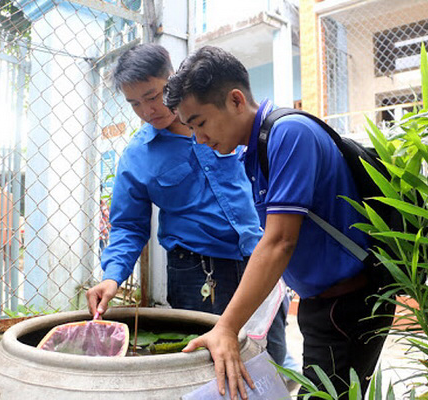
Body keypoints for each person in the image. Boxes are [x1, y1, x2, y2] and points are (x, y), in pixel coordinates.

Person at [163, 46, 395, 400]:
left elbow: (279, 242)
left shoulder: (289, 133)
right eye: (192, 128)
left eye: (201, 123)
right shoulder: (257, 148)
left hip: (348, 304)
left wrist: (227, 327)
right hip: (323, 303)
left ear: (236, 100)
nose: (200, 139)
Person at [85, 43, 287, 365]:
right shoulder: (137, 156)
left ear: (173, 77)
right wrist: (112, 276)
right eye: (134, 103)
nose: (147, 110)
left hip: (257, 258)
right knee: (206, 367)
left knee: (270, 360)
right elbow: (128, 226)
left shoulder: (225, 120)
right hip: (198, 273)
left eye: (152, 96)